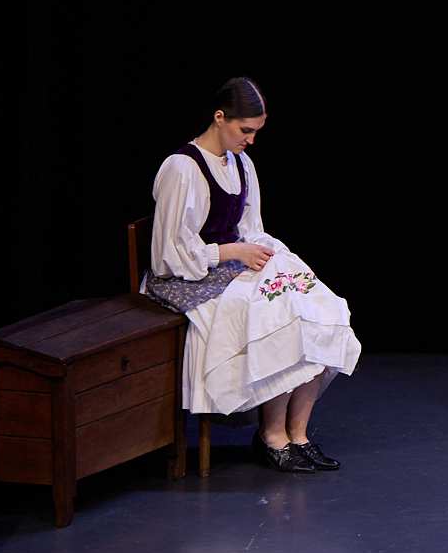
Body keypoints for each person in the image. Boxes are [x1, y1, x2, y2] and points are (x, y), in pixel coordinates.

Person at [144, 78, 361, 473]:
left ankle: (298, 434)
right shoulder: (182, 168)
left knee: (315, 304)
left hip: (231, 267)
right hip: (188, 278)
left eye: (257, 131)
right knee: (278, 316)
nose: (251, 140)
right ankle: (272, 435)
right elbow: (169, 255)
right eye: (245, 130)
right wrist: (231, 253)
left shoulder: (240, 163)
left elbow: (251, 230)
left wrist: (281, 258)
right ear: (219, 117)